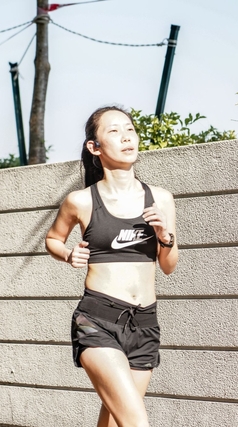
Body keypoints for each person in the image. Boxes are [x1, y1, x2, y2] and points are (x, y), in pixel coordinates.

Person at [45, 105, 178, 427]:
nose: (126, 137)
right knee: (135, 422)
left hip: (144, 324)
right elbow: (53, 239)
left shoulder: (161, 199)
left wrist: (165, 236)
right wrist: (68, 254)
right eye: (115, 131)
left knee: (116, 422)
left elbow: (169, 266)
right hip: (98, 321)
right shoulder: (81, 201)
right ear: (95, 147)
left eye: (130, 129)